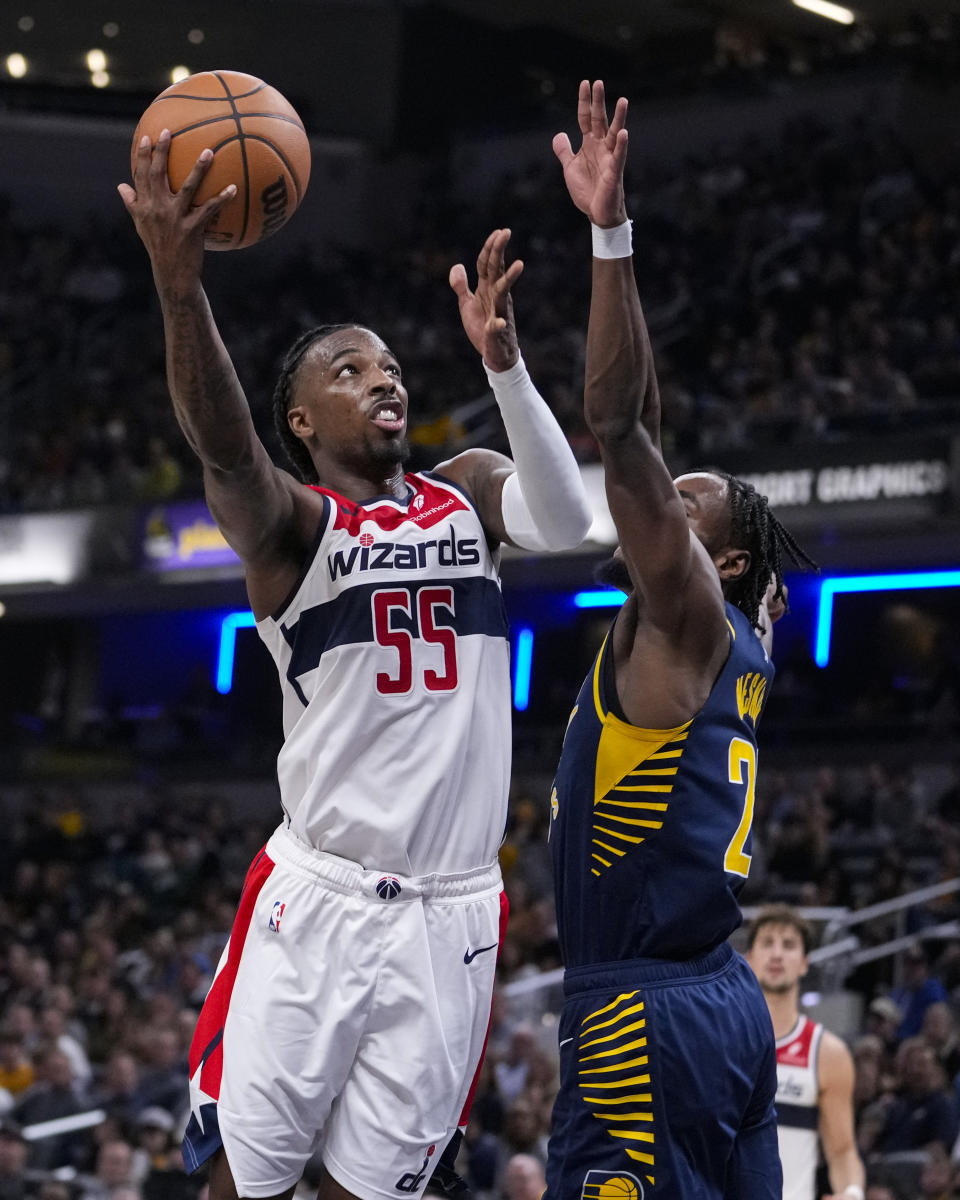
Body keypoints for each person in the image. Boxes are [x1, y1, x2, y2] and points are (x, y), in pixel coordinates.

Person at [118, 131, 592, 1200]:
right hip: (320, 900)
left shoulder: (466, 489)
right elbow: (226, 450)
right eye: (350, 370)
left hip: (454, 914)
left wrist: (506, 368)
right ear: (302, 420)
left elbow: (566, 520)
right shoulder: (297, 528)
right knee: (247, 1180)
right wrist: (179, 288)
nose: (382, 380)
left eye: (389, 366)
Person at [545, 80, 818, 1199]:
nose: (658, 499)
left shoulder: (689, 610)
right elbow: (642, 429)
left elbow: (620, 426)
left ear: (726, 561)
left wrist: (610, 233)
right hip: (720, 1002)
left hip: (641, 1014)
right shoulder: (723, 642)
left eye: (684, 501)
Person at [745, 904, 866, 1200]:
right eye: (767, 943)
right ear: (749, 959)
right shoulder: (720, 1043)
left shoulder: (827, 1053)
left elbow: (842, 1151)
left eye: (788, 945)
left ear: (804, 963)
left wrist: (851, 1192)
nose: (777, 953)